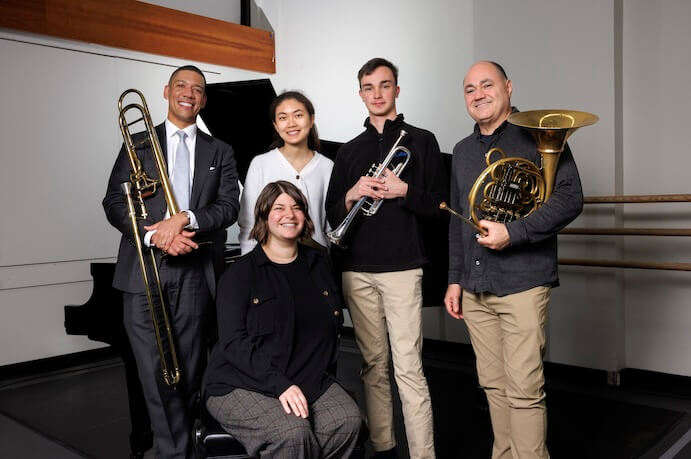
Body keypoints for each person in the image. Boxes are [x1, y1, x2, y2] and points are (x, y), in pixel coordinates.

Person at [444, 61, 583, 459]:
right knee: (492, 384)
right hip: (475, 285)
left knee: (524, 389)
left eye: (487, 85)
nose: (479, 94)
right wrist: (454, 279)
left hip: (523, 280)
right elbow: (457, 221)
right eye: (470, 89)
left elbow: (570, 198)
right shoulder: (462, 151)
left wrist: (514, 232)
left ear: (508, 87)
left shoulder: (539, 135)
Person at [103, 65, 240, 459]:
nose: (189, 93)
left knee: (189, 370)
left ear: (204, 100)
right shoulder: (140, 143)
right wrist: (153, 235)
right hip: (143, 270)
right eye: (181, 86)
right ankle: (173, 451)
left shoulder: (221, 151)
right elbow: (114, 202)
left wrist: (187, 219)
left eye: (198, 89)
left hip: (196, 271)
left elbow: (228, 207)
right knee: (154, 371)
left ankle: (181, 446)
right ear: (166, 91)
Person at [325, 57, 448, 459]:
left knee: (408, 368)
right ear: (360, 93)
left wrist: (403, 192)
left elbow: (440, 205)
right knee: (372, 367)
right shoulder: (348, 151)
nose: (377, 94)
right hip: (356, 271)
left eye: (384, 85)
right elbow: (331, 212)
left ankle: (422, 454)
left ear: (397, 89)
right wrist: (349, 194)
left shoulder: (422, 140)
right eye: (368, 87)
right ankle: (383, 447)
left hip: (402, 268)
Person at [204, 181, 362, 458]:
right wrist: (281, 385)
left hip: (306, 376)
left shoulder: (319, 263)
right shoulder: (239, 274)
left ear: (305, 216)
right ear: (264, 216)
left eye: (297, 207)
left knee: (346, 422)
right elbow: (233, 344)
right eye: (279, 207)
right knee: (291, 434)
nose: (289, 214)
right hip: (240, 382)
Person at [238, 91, 333, 254]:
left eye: (298, 115)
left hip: (317, 259)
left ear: (311, 119)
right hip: (269, 260)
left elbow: (331, 223)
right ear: (275, 125)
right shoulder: (260, 164)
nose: (291, 123)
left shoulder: (327, 166)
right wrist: (250, 263)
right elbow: (248, 222)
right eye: (283, 118)